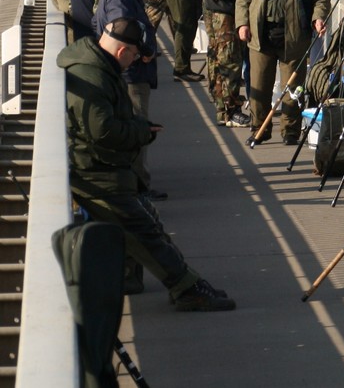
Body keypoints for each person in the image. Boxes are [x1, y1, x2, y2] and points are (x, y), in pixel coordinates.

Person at [60, 16, 234, 311]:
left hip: (102, 167)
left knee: (144, 221)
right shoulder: (93, 75)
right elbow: (102, 131)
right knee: (144, 229)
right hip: (98, 172)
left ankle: (128, 277)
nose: (134, 62)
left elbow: (107, 120)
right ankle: (186, 288)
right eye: (134, 56)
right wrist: (140, 132)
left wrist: (137, 125)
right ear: (121, 52)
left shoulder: (97, 65)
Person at [236, 0, 330, 143]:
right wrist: (242, 22)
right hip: (261, 35)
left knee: (293, 91)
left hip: (295, 37)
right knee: (259, 88)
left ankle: (290, 132)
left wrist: (319, 17)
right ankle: (259, 130)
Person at [93, 0, 165, 201]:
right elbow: (121, 29)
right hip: (131, 74)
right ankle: (137, 188)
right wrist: (143, 50)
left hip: (130, 70)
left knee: (134, 127)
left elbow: (96, 23)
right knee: (136, 128)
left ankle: (137, 185)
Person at [206, 0, 251, 127]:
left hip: (232, 13)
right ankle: (230, 111)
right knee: (229, 63)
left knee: (226, 61)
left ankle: (225, 108)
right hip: (223, 16)